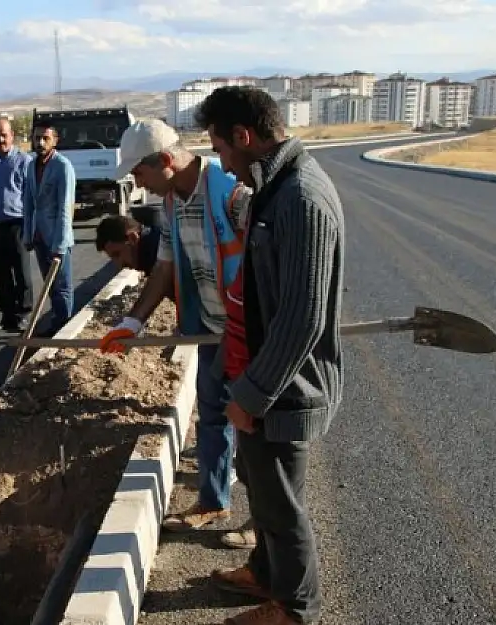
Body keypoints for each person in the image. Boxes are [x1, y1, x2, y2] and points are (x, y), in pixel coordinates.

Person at [198, 86, 345, 625]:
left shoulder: (302, 196)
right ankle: (265, 572)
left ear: (245, 136)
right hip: (259, 380)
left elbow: (302, 318)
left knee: (282, 506)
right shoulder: (272, 186)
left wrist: (254, 396)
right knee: (263, 490)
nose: (220, 161)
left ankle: (294, 609)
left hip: (284, 388)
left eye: (221, 148)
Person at [98, 118, 250, 535]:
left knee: (256, 424)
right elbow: (164, 268)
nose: (136, 182)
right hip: (209, 331)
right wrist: (132, 322)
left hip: (248, 331)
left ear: (165, 160)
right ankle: (213, 502)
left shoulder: (233, 194)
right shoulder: (170, 206)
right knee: (214, 416)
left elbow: (267, 260)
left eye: (139, 172)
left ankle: (265, 525)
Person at [22, 121, 76, 337]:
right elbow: (28, 202)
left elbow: (66, 206)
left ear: (55, 141)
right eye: (37, 138)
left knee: (62, 286)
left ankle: (64, 328)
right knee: (49, 284)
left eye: (45, 138)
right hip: (38, 235)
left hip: (56, 237)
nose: (40, 143)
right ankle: (56, 322)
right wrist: (28, 233)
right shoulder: (31, 165)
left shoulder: (63, 166)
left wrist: (60, 244)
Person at [0, 116, 34, 332]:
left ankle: (23, 313)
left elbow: (31, 196)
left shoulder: (24, 161)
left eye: (4, 135)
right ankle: (7, 315)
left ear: (12, 136)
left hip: (17, 224)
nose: (0, 139)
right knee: (1, 274)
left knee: (21, 273)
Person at [94, 214, 163, 276]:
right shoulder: (156, 240)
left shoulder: (159, 258)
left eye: (117, 254)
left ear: (133, 238)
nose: (119, 265)